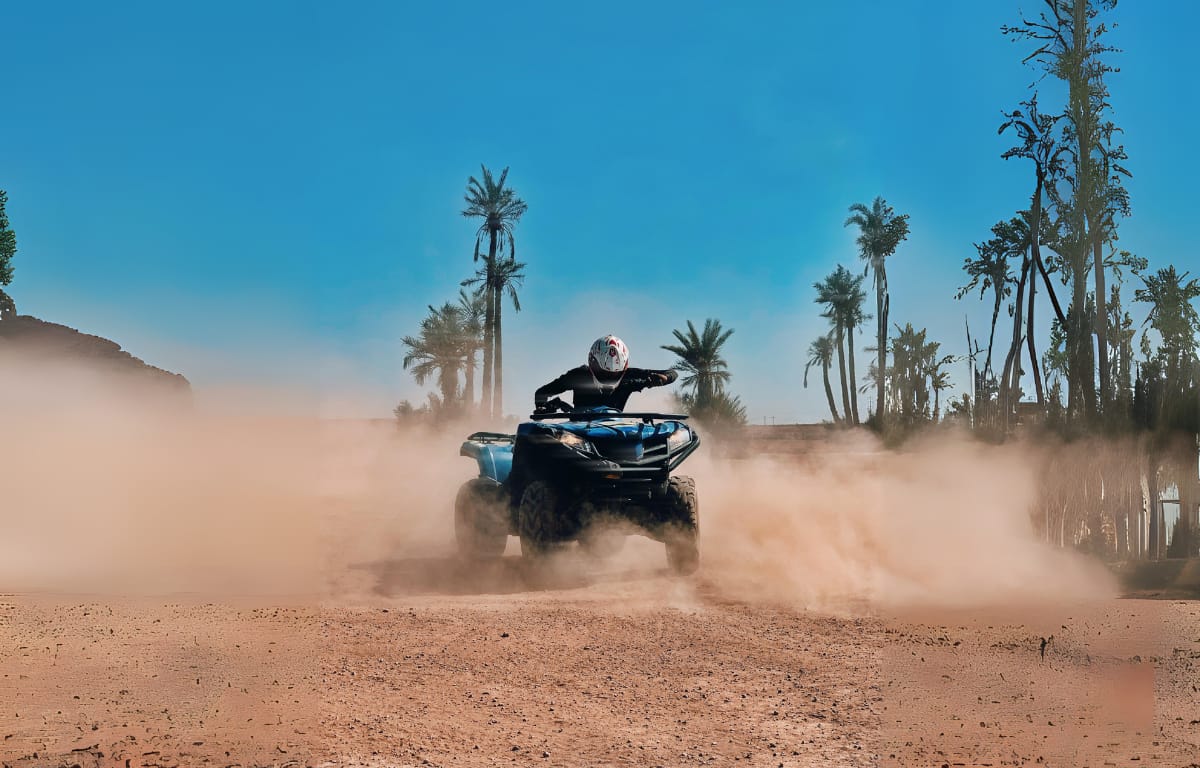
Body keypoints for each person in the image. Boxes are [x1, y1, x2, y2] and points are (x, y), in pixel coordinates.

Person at [534, 334, 677, 412]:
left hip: (615, 433)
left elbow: (672, 373)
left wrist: (663, 378)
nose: (610, 378)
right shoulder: (578, 375)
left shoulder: (629, 375)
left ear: (624, 367)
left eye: (615, 374)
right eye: (604, 373)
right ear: (592, 363)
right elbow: (541, 393)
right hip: (578, 433)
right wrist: (542, 407)